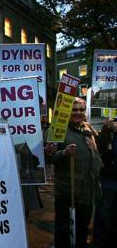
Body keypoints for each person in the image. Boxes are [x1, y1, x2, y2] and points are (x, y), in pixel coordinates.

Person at [48, 97, 102, 248]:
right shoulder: (57, 129)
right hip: (67, 192)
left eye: (81, 109)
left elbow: (99, 153)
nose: (78, 112)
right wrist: (63, 153)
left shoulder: (88, 129)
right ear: (67, 111)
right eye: (74, 109)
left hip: (87, 192)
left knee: (82, 230)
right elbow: (50, 157)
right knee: (64, 231)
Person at [93, 118, 117, 247]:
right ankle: (100, 242)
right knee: (103, 213)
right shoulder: (109, 128)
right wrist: (106, 130)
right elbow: (100, 149)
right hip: (108, 179)